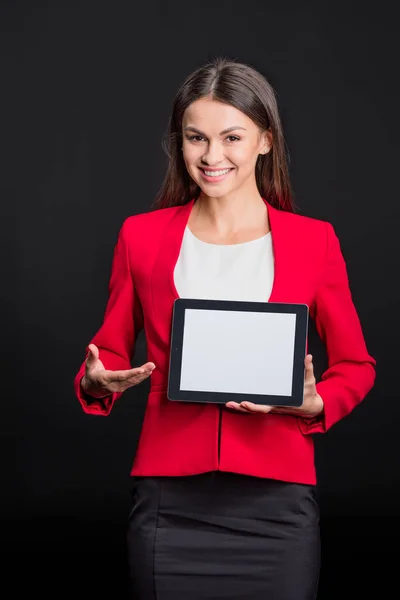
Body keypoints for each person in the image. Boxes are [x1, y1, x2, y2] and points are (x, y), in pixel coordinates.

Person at [73, 57, 376, 600]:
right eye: (196, 138)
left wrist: (317, 403)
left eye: (231, 136)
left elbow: (356, 365)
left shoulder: (315, 242)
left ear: (265, 140)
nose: (212, 156)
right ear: (180, 143)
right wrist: (98, 380)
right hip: (170, 500)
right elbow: (110, 349)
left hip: (277, 504)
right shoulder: (140, 237)